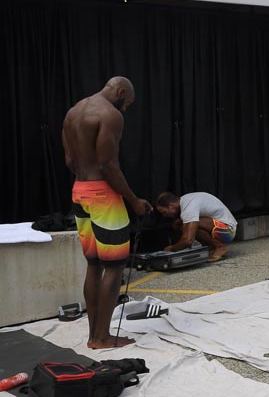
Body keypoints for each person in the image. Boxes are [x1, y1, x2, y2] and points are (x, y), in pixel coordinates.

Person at [62, 76, 152, 349]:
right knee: (114, 266)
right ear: (121, 92)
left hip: (79, 191)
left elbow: (69, 160)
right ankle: (102, 337)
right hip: (102, 195)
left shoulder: (73, 112)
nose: (125, 109)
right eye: (127, 103)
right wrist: (134, 201)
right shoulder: (110, 115)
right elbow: (108, 165)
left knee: (94, 264)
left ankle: (93, 335)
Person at [154, 191, 237, 262]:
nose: (165, 215)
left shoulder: (189, 207)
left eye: (164, 212)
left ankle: (220, 247)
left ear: (171, 205)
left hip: (228, 232)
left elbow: (188, 240)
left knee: (190, 227)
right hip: (223, 229)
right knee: (180, 224)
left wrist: (172, 249)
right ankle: (210, 247)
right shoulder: (184, 200)